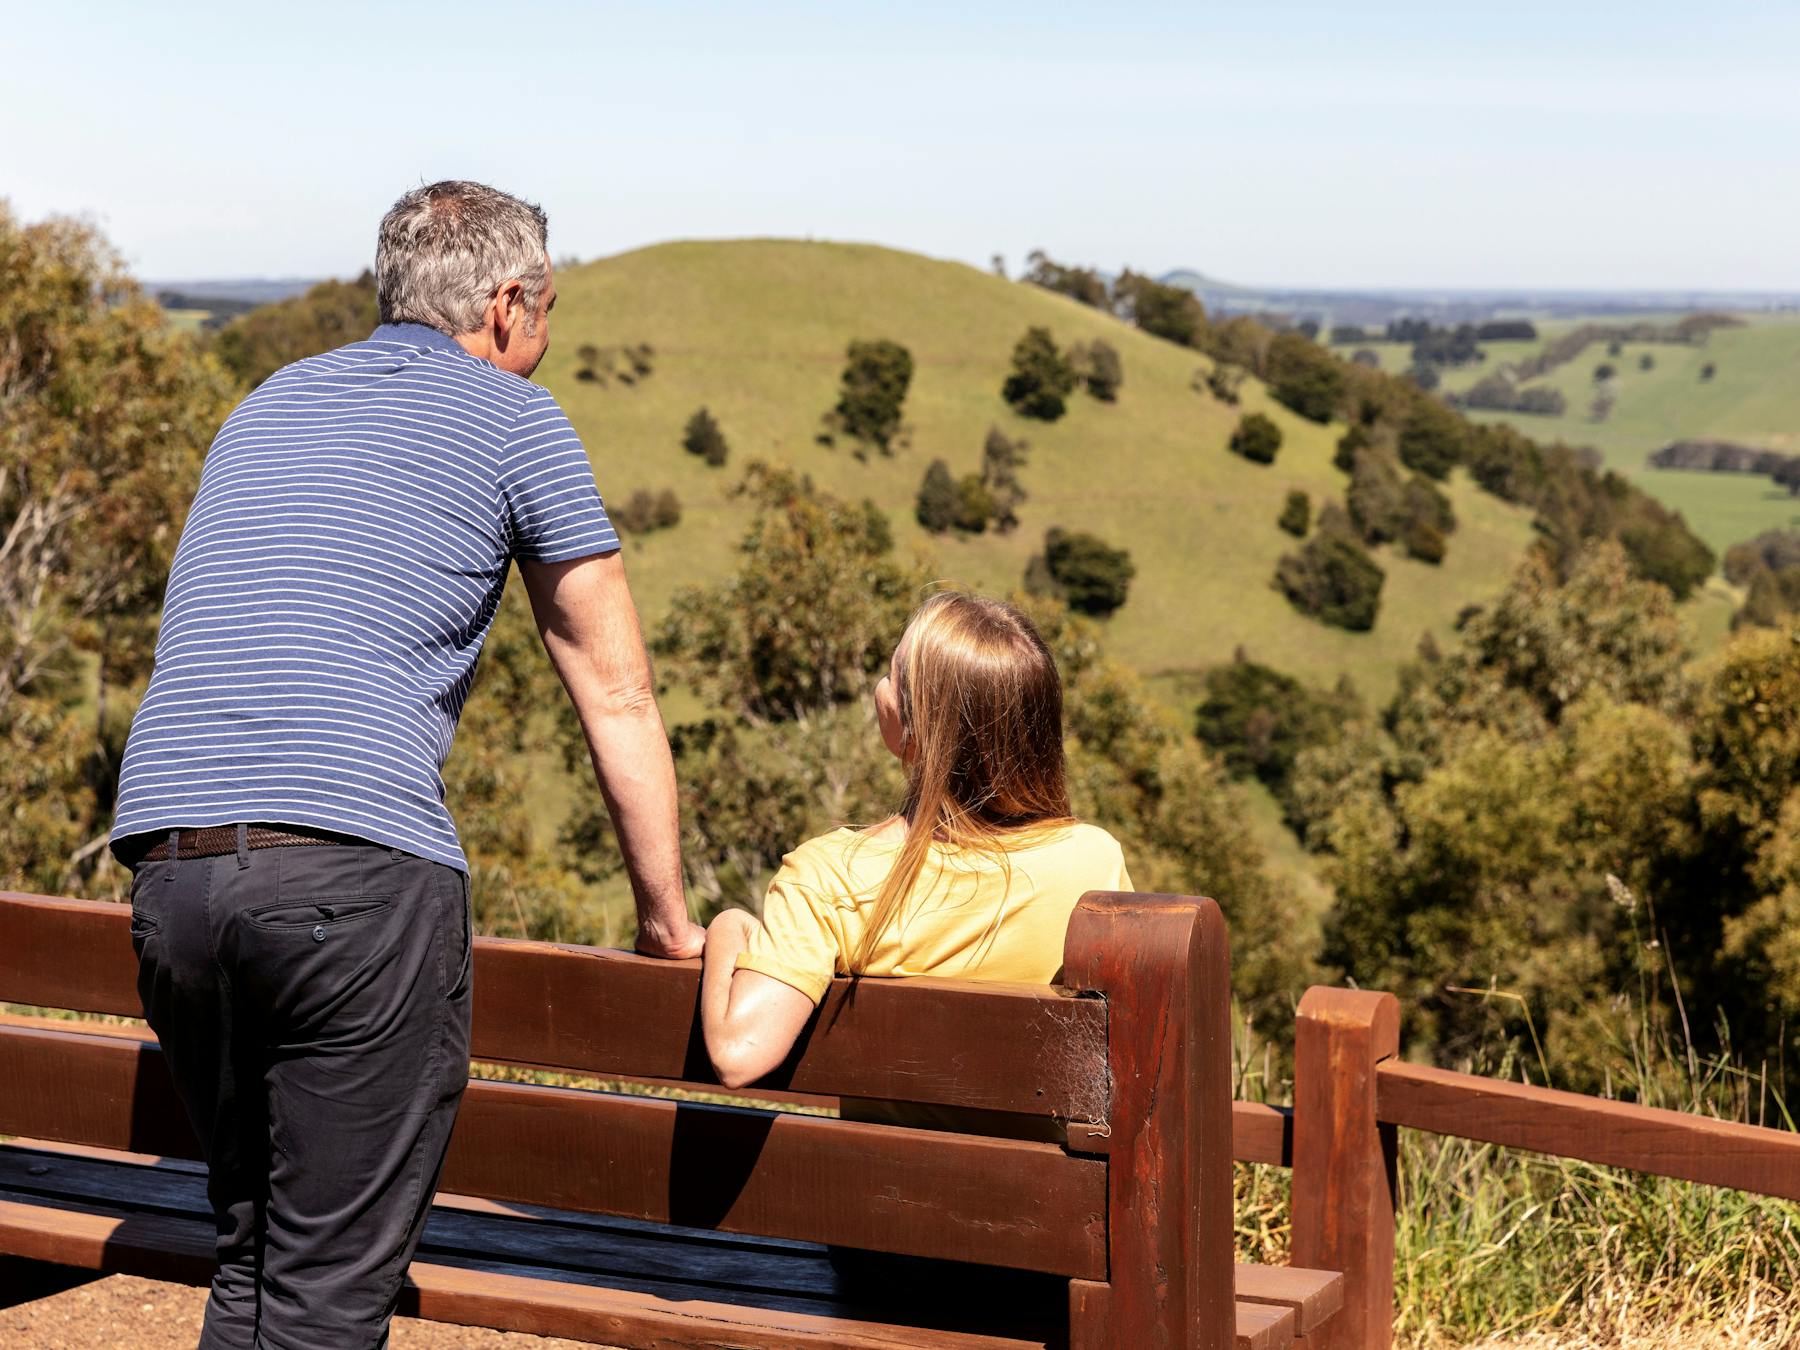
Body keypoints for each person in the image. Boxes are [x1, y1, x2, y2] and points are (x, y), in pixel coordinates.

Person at [109, 180, 704, 1349]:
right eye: (548, 306)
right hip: (351, 883)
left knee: (257, 1262)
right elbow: (616, 687)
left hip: (169, 870)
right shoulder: (517, 418)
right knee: (328, 1299)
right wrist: (668, 919)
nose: (547, 331)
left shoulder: (267, 400)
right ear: (505, 306)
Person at [699, 591, 1133, 1138]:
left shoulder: (833, 874)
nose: (880, 688)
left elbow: (740, 1054)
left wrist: (728, 929)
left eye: (890, 674)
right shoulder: (1093, 859)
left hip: (880, 1209)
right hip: (1045, 1212)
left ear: (908, 722)